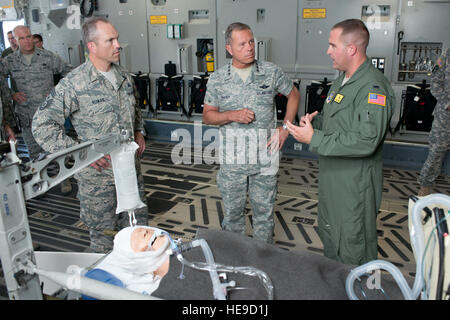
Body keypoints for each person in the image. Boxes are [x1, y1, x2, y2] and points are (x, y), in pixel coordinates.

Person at [32, 17, 148, 253]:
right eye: (110, 40)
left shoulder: (125, 78)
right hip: (98, 181)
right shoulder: (74, 83)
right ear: (92, 46)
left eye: (117, 38)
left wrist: (138, 130)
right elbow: (42, 125)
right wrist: (81, 154)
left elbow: (134, 109)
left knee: (137, 234)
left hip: (129, 174)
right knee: (104, 240)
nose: (118, 45)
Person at [285, 19, 394, 265]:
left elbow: (367, 140)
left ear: (351, 49)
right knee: (332, 238)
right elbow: (340, 121)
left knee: (353, 246)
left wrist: (315, 138)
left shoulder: (373, 88)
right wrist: (316, 123)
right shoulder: (342, 80)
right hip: (333, 180)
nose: (328, 51)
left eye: (333, 45)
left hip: (354, 186)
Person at [202, 22, 299, 243]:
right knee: (233, 218)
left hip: (265, 159)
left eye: (251, 42)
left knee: (264, 218)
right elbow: (208, 116)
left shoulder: (270, 72)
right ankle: (235, 263)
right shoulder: (218, 79)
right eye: (242, 44)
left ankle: (262, 265)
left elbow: (293, 94)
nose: (250, 48)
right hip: (233, 163)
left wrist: (285, 128)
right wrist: (231, 115)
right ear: (229, 49)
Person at [1, 26, 72, 161]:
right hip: (27, 118)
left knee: (59, 155)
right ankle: (42, 182)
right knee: (36, 158)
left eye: (28, 36)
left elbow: (69, 71)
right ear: (15, 40)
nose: (26, 41)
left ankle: (63, 182)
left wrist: (58, 90)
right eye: (21, 38)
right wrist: (11, 94)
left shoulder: (48, 56)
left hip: (50, 115)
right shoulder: (10, 61)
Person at [417, 47, 449, 196]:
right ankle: (424, 191)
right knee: (436, 153)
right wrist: (447, 103)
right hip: (446, 115)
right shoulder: (448, 54)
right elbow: (436, 83)